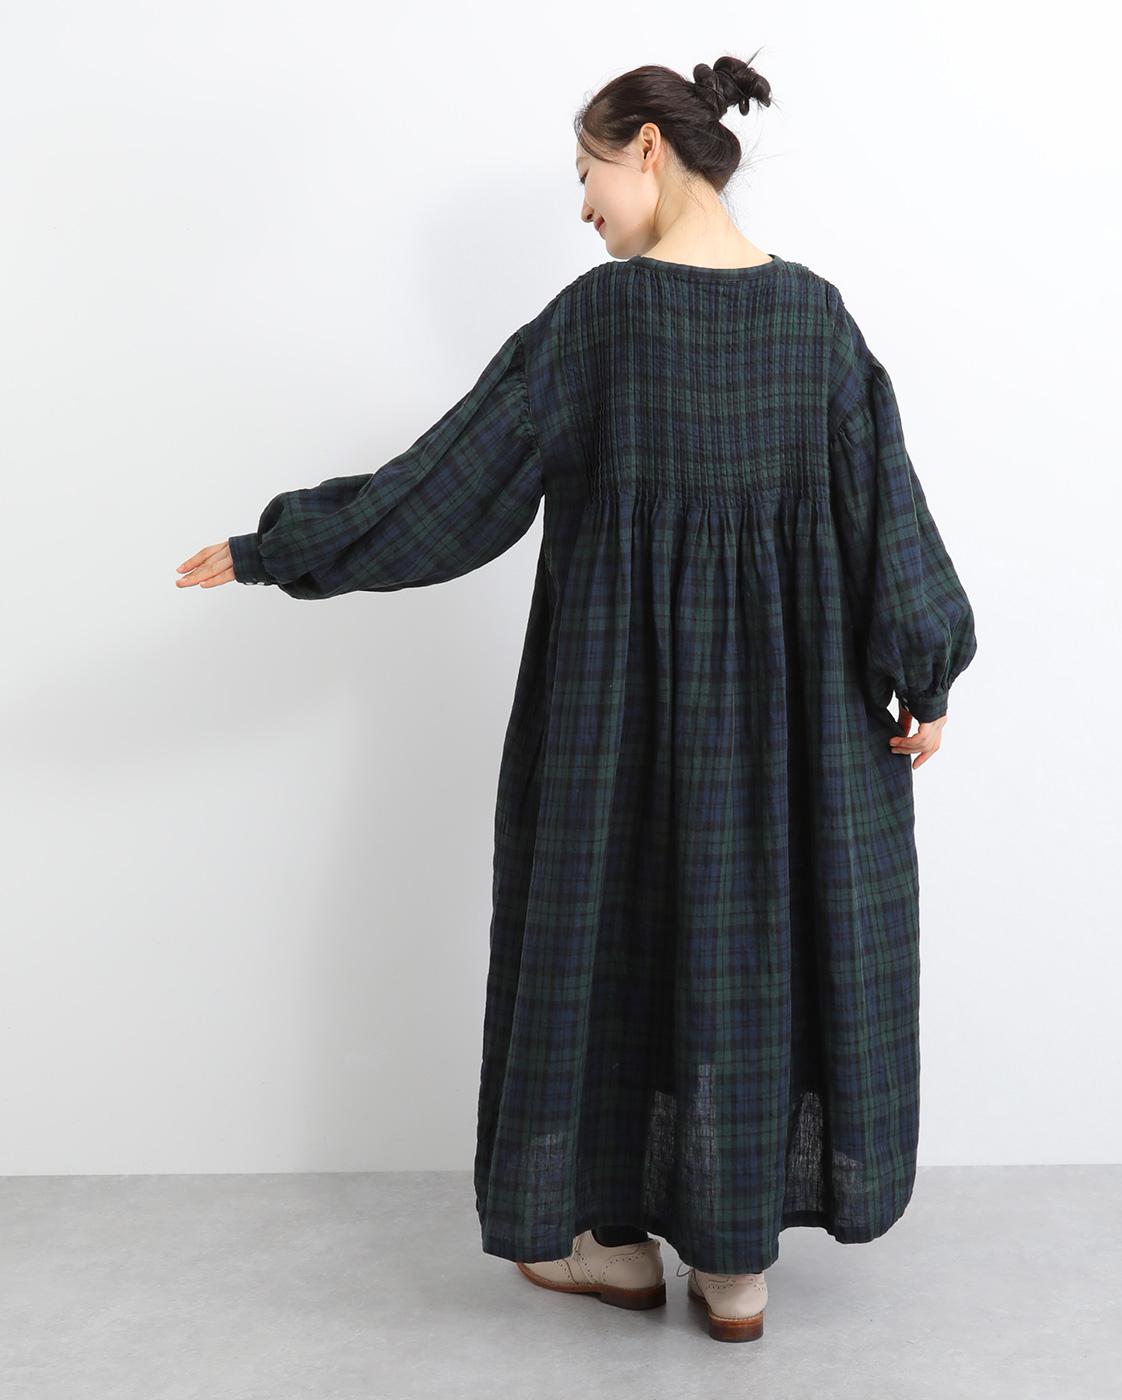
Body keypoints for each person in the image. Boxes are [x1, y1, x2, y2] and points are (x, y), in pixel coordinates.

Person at [176, 52, 978, 1345]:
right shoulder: (818, 323)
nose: (586, 203)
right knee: (751, 956)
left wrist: (283, 547)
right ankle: (736, 1272)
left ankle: (611, 1247)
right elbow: (892, 521)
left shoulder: (597, 327)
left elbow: (444, 490)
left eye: (590, 171)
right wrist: (924, 673)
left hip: (618, 732)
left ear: (648, 148)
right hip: (792, 744)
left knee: (614, 956)